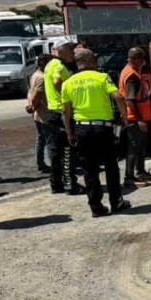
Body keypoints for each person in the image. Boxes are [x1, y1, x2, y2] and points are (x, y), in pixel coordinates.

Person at [62, 48, 131, 217]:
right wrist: (125, 117)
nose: (96, 61)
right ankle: (116, 201)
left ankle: (96, 206)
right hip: (103, 128)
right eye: (94, 58)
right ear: (88, 61)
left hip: (82, 129)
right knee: (110, 166)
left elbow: (66, 112)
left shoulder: (68, 83)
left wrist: (70, 133)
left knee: (89, 169)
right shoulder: (102, 77)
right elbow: (118, 96)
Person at [44, 41, 83, 195]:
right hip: (62, 112)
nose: (73, 53)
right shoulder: (59, 66)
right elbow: (56, 81)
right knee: (68, 150)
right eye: (71, 50)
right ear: (62, 51)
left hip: (53, 112)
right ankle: (70, 185)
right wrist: (68, 96)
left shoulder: (50, 64)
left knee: (56, 151)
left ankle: (56, 184)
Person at [119, 47, 151, 186]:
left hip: (139, 117)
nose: (143, 62)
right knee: (134, 148)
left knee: (140, 146)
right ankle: (129, 178)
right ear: (134, 59)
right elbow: (130, 100)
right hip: (134, 119)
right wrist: (140, 119)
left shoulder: (132, 72)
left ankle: (140, 172)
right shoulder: (131, 76)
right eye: (141, 58)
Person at [26, 54, 54, 173]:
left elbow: (30, 92)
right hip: (44, 114)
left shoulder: (35, 75)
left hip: (38, 113)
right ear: (43, 63)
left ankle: (41, 163)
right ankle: (54, 165)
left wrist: (32, 107)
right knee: (50, 141)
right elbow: (36, 95)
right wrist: (34, 106)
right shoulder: (42, 77)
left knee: (41, 139)